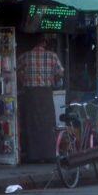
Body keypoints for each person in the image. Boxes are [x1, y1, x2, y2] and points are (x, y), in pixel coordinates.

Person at [17, 34, 64, 162]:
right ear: (44, 42)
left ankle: (34, 156)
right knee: (48, 123)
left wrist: (23, 79)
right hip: (45, 92)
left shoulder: (25, 56)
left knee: (32, 124)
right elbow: (60, 73)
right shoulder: (52, 56)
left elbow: (16, 69)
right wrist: (53, 80)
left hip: (30, 93)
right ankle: (49, 154)